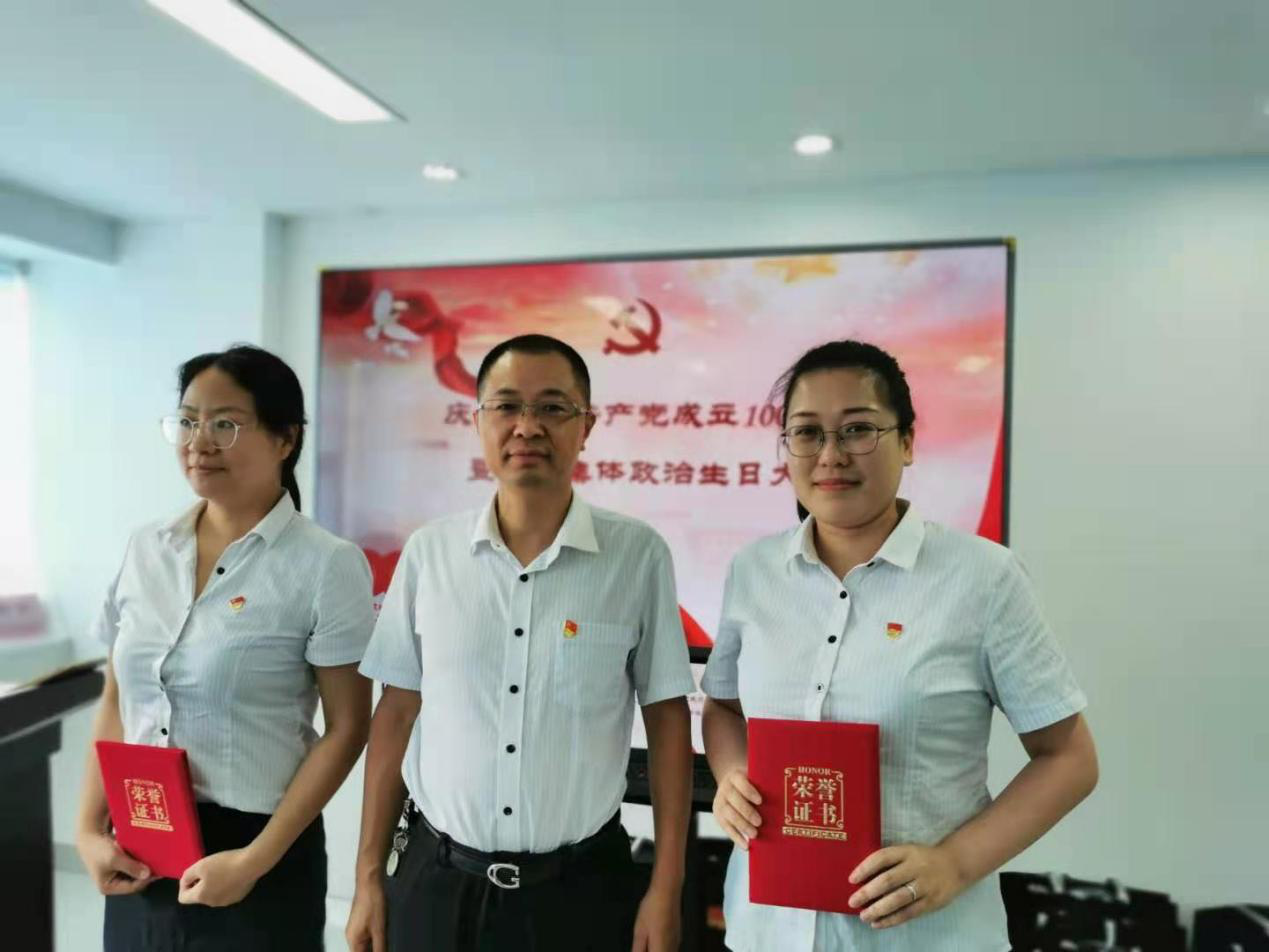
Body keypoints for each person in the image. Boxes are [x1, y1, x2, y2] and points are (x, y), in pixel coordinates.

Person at [702, 339, 1098, 951]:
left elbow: (1068, 758)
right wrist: (731, 774)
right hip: (766, 929)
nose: (830, 455)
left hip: (924, 935)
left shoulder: (983, 577)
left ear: (907, 441)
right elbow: (724, 708)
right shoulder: (753, 571)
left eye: (858, 429)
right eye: (806, 433)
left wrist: (954, 864)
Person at [346, 334, 695, 952]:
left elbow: (667, 719)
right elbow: (396, 713)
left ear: (587, 425)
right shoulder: (429, 554)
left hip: (580, 894)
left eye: (553, 408)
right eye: (506, 406)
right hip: (436, 883)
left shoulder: (637, 556)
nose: (527, 427)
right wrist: (368, 877)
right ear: (478, 421)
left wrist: (666, 889)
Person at [76, 344, 376, 950]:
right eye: (188, 421)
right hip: (142, 832)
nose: (199, 442)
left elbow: (347, 728)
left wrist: (255, 859)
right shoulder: (146, 547)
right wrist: (87, 828)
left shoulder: (326, 564)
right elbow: (117, 697)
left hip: (259, 846)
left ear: (285, 438)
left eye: (225, 424)